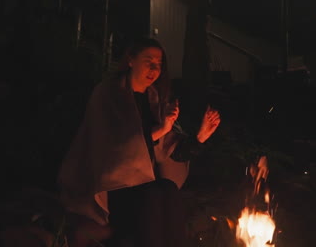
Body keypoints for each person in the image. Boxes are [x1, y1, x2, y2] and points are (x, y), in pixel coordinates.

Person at [57, 37, 220, 246]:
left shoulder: (154, 99)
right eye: (148, 61)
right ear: (131, 60)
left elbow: (169, 151)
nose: (154, 68)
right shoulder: (108, 93)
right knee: (152, 197)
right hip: (112, 186)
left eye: (159, 64)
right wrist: (161, 129)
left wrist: (200, 137)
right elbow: (113, 145)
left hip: (144, 183)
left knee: (168, 189)